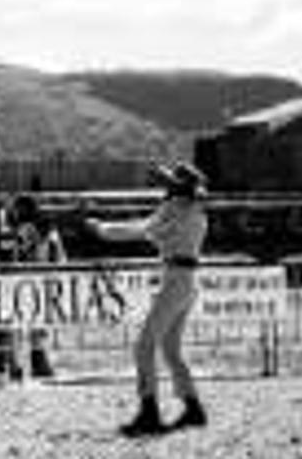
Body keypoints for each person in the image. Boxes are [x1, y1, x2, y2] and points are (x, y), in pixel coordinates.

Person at [85, 161, 209, 436]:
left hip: (176, 278)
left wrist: (101, 229)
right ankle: (193, 407)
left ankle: (149, 411)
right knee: (171, 350)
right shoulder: (193, 208)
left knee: (144, 347)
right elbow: (153, 222)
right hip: (185, 280)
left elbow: (140, 229)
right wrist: (169, 181)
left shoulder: (178, 207)